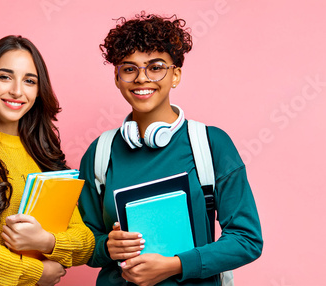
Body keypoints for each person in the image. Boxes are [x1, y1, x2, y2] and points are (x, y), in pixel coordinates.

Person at [77, 12, 263, 286]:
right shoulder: (100, 153)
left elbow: (246, 240)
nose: (142, 78)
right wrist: (106, 247)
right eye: (129, 69)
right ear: (117, 78)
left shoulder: (210, 144)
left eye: (155, 67)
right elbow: (83, 243)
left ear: (175, 75)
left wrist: (175, 265)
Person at [0, 35, 95, 286]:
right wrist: (38, 273)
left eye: (29, 81)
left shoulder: (44, 155)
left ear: (38, 91)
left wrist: (46, 241)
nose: (17, 91)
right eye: (5, 76)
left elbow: (85, 243)